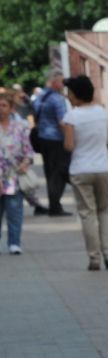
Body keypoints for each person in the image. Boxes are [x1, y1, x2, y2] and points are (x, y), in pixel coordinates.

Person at [61, 74, 108, 271]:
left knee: (87, 213)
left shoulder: (72, 117)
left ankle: (94, 258)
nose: (68, 96)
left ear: (76, 95)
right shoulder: (102, 112)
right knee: (105, 210)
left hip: (80, 169)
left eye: (70, 93)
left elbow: (69, 145)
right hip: (103, 167)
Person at [31, 69, 70, 215]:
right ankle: (55, 206)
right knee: (58, 173)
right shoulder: (57, 99)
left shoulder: (40, 96)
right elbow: (62, 122)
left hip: (43, 138)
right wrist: (70, 139)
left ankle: (53, 203)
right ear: (55, 82)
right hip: (56, 140)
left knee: (49, 172)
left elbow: (35, 114)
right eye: (62, 81)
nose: (64, 84)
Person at [0, 91, 30, 253]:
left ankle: (14, 243)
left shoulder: (20, 127)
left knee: (14, 211)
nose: (0, 109)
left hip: (13, 175)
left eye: (4, 105)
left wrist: (26, 163)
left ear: (11, 108)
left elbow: (28, 151)